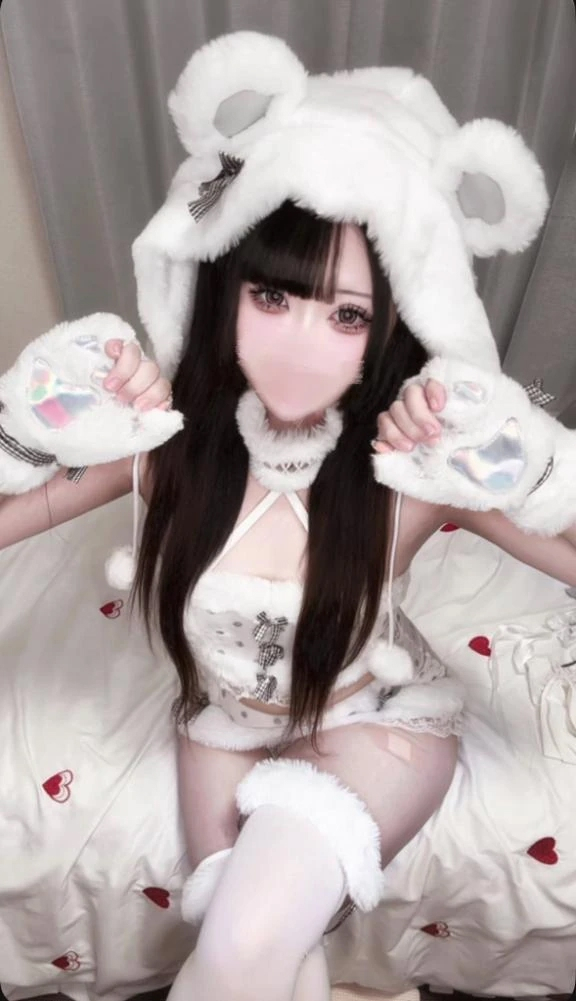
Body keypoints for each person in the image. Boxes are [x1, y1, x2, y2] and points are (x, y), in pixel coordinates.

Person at [1, 29, 576, 1001]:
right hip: (219, 723)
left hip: (371, 720)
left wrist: (531, 468)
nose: (303, 343)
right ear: (224, 286)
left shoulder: (412, 465)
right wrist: (34, 424)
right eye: (273, 295)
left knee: (237, 946)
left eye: (347, 315)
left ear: (392, 328)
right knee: (258, 948)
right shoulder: (167, 442)